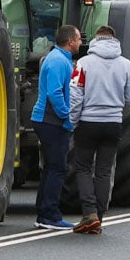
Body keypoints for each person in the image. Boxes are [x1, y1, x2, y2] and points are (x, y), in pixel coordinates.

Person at [69, 25, 130, 234]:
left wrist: (72, 121)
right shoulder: (126, 64)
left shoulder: (83, 63)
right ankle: (98, 217)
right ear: (113, 39)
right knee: (104, 170)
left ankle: (88, 212)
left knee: (82, 167)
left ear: (96, 40)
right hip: (113, 123)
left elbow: (76, 94)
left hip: (88, 122)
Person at [31, 24, 81, 230]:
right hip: (51, 121)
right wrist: (67, 116)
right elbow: (54, 93)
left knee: (51, 168)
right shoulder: (59, 61)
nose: (80, 42)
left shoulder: (59, 59)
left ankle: (43, 213)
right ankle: (50, 215)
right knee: (58, 168)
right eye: (78, 39)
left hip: (49, 120)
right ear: (70, 41)